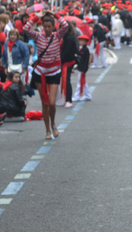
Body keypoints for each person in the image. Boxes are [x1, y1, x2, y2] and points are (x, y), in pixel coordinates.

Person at [23, 10, 69, 140]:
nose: (47, 29)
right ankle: (47, 130)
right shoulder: (38, 36)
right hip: (40, 72)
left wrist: (55, 15)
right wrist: (36, 17)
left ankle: (53, 123)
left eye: (49, 26)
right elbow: (25, 29)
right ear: (42, 26)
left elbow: (65, 25)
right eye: (45, 26)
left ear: (53, 26)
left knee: (52, 102)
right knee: (45, 102)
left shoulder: (57, 35)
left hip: (54, 72)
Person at [59, 22, 78, 108]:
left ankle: (69, 100)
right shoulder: (67, 37)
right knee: (65, 80)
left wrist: (61, 59)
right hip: (67, 61)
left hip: (67, 62)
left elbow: (66, 52)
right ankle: (66, 98)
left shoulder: (69, 38)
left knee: (66, 81)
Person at [73, 35, 92, 101]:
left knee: (80, 83)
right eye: (81, 41)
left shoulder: (86, 50)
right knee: (83, 83)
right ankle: (88, 96)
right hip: (79, 68)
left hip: (82, 69)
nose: (82, 42)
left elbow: (86, 61)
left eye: (84, 41)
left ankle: (77, 96)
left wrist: (84, 70)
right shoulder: (78, 48)